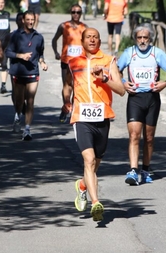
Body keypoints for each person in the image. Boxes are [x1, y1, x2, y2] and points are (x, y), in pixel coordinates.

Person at [62, 28, 125, 221]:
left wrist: (105, 78)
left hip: (102, 117)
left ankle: (82, 185)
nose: (92, 39)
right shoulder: (73, 63)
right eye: (88, 37)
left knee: (95, 164)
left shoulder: (108, 61)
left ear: (99, 41)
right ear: (82, 41)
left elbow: (121, 90)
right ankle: (96, 203)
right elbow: (67, 84)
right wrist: (67, 101)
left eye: (95, 37)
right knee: (88, 160)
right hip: (81, 117)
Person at [117, 24, 166, 185]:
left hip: (152, 98)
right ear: (135, 38)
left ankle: (145, 169)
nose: (142, 41)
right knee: (134, 135)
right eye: (139, 37)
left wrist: (165, 83)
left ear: (150, 38)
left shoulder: (157, 53)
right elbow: (116, 69)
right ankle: (133, 170)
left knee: (149, 138)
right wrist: (123, 82)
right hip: (135, 98)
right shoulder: (129, 53)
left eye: (145, 37)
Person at [6, 11, 48, 141]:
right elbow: (8, 52)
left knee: (30, 101)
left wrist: (42, 63)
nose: (30, 22)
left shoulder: (39, 37)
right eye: (28, 19)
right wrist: (20, 56)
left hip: (33, 72)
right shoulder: (15, 36)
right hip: (18, 72)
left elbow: (40, 53)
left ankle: (27, 129)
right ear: (23, 20)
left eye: (32, 19)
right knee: (19, 101)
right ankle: (18, 114)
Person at [51, 4, 88, 123]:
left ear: (81, 14)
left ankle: (73, 110)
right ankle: (66, 106)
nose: (76, 14)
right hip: (66, 61)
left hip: (80, 63)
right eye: (74, 12)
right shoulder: (63, 26)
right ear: (70, 13)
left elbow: (89, 43)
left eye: (78, 12)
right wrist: (56, 52)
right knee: (66, 86)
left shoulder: (84, 27)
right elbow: (54, 40)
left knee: (77, 87)